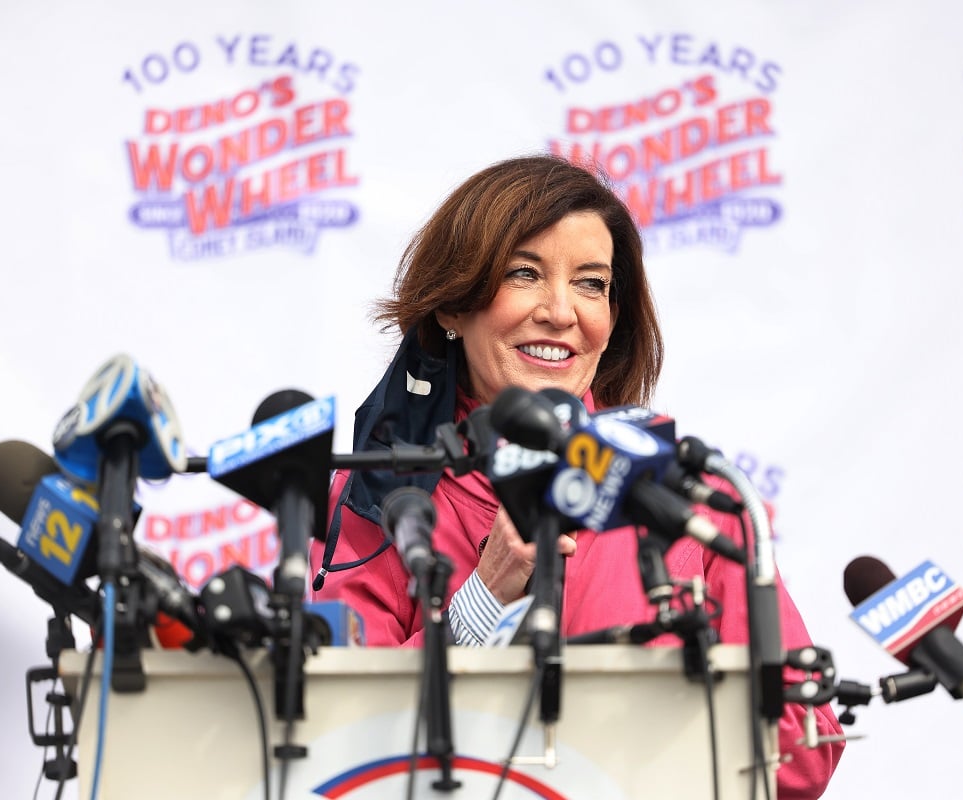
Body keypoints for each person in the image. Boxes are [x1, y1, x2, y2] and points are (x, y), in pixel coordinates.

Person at [309, 154, 844, 798]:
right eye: (524, 274)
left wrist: (631, 729)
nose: (562, 312)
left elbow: (804, 747)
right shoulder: (379, 494)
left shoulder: (689, 490)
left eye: (592, 283)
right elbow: (336, 739)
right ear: (452, 306)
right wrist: (482, 598)